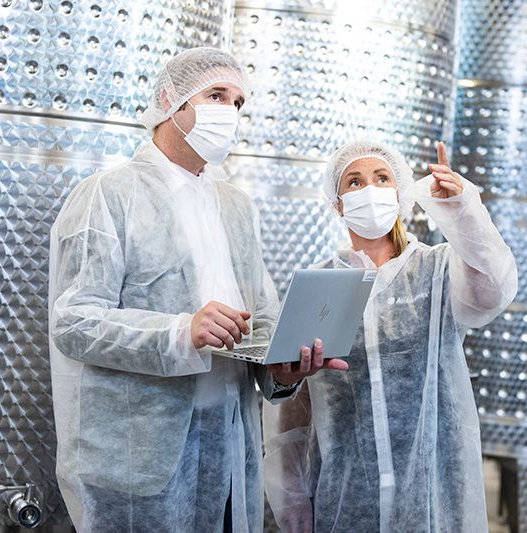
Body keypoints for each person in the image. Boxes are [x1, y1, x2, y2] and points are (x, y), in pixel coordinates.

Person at [48, 47, 345, 533]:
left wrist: (281, 369)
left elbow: (261, 318)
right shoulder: (109, 194)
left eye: (238, 102)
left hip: (230, 451)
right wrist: (181, 332)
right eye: (216, 96)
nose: (230, 111)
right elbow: (75, 321)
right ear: (171, 100)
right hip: (139, 456)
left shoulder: (235, 206)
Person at [263, 140, 518, 532]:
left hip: (432, 501)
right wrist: (293, 500)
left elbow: (494, 292)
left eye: (382, 178)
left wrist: (461, 210)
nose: (369, 189)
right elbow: (294, 412)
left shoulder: (439, 270)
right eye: (354, 182)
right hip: (345, 504)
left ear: (399, 193)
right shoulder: (320, 286)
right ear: (338, 204)